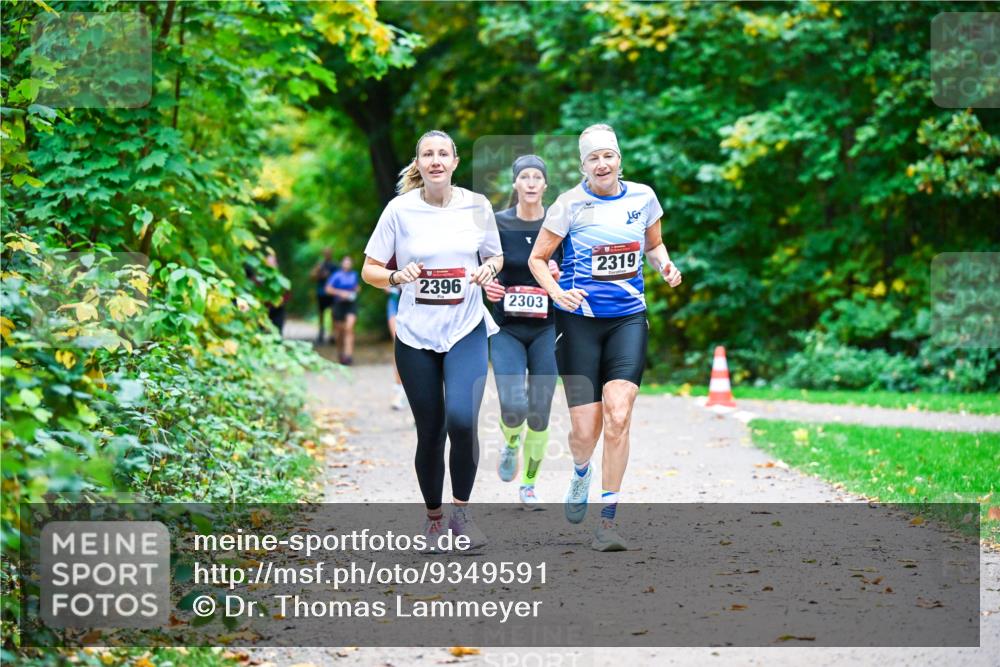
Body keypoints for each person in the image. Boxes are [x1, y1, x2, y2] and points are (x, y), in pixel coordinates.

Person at [528, 124, 683, 551]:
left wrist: (665, 266)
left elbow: (654, 246)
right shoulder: (568, 205)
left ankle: (608, 521)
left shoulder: (643, 198)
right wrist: (557, 292)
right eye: (593, 158)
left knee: (618, 415)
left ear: (619, 160)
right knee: (585, 432)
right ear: (583, 165)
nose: (602, 164)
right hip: (578, 321)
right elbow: (538, 258)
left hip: (627, 319)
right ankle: (581, 471)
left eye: (608, 156)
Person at [361, 129, 503, 550]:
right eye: (428, 154)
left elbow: (495, 255)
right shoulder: (399, 210)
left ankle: (461, 515)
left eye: (443, 153)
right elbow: (370, 269)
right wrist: (394, 276)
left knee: (462, 419)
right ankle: (434, 521)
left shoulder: (478, 206)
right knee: (431, 430)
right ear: (418, 164)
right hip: (415, 334)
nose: (436, 160)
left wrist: (488, 271)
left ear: (455, 162)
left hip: (466, 327)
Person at [483, 155, 562, 509]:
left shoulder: (558, 224)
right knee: (514, 407)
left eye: (537, 177)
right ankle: (511, 441)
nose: (531, 183)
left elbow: (577, 267)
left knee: (541, 411)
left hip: (549, 328)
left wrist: (561, 277)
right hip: (507, 328)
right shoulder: (497, 223)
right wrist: (490, 285)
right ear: (515, 184)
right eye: (524, 177)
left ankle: (528, 485)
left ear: (545, 185)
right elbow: (482, 264)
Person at [325, 255, 360, 365]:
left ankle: (348, 356)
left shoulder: (354, 275)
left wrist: (356, 290)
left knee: (349, 328)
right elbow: (328, 289)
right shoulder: (336, 275)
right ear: (342, 263)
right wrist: (341, 293)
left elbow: (356, 287)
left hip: (351, 304)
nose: (347, 264)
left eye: (349, 262)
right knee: (340, 332)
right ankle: (340, 352)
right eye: (345, 262)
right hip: (339, 304)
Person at [384, 284, 407, 410]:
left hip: (418, 304)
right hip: (395, 302)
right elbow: (382, 280)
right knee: (398, 342)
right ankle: (398, 390)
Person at [310, 248, 337, 345]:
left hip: (332, 293)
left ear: (331, 254)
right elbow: (312, 276)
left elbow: (338, 278)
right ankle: (321, 333)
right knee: (321, 313)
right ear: (323, 254)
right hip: (321, 292)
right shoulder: (320, 264)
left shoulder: (334, 265)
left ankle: (332, 334)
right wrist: (319, 273)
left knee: (333, 313)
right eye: (325, 253)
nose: (327, 254)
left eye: (329, 253)